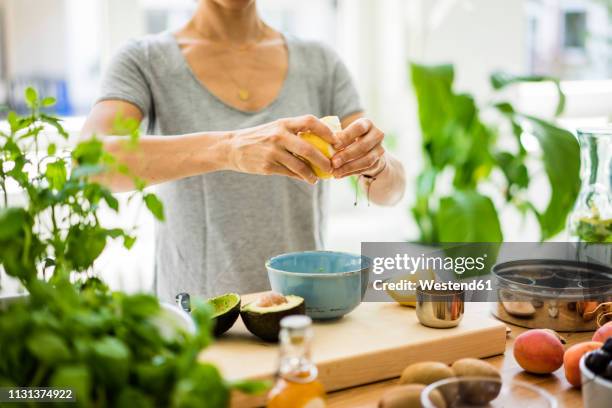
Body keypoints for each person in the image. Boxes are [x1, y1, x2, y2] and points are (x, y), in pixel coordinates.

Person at [81, 0, 406, 301]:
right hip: (199, 326)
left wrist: (377, 164)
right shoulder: (145, 60)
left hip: (304, 316)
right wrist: (231, 148)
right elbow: (90, 164)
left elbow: (390, 191)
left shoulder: (321, 62)